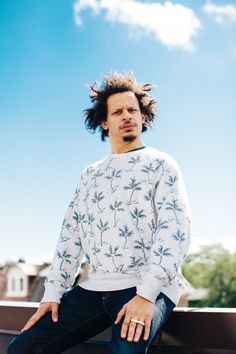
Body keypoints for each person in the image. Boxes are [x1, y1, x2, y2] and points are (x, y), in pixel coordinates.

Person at [8, 72, 191, 354]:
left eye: (133, 110)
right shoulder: (89, 175)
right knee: (22, 349)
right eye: (117, 112)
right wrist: (53, 294)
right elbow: (71, 237)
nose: (127, 116)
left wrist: (146, 295)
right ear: (105, 122)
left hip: (146, 288)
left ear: (143, 117)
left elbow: (175, 232)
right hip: (93, 290)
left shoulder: (161, 164)